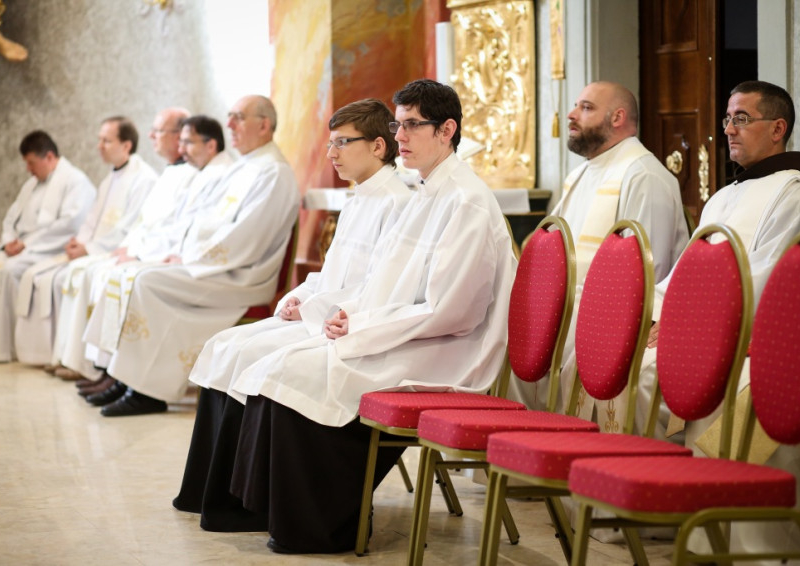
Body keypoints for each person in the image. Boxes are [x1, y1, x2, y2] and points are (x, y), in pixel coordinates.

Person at [209, 79, 515, 554]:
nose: (400, 136)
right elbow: (385, 281)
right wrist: (351, 313)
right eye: (398, 125)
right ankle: (280, 514)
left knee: (293, 370)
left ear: (447, 130)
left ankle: (323, 526)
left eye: (412, 125)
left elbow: (452, 311)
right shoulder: (427, 191)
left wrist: (364, 325)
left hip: (448, 351)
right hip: (407, 334)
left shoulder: (465, 201)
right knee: (280, 366)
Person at [171, 98, 412, 516]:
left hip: (345, 324)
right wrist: (298, 297)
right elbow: (331, 273)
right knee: (225, 345)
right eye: (330, 143)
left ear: (378, 146)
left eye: (342, 142)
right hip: (321, 313)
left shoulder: (397, 202)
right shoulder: (358, 197)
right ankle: (214, 494)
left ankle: (247, 504)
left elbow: (380, 287)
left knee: (254, 356)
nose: (331, 153)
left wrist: (315, 308)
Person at [645, 81, 800, 558]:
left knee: (730, 392)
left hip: (756, 338)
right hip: (706, 330)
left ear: (778, 129)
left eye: (741, 118)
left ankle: (742, 541)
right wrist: (659, 316)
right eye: (727, 119)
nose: (728, 129)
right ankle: (651, 513)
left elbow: (772, 277)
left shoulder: (798, 192)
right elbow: (688, 271)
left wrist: (694, 329)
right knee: (635, 365)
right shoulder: (724, 196)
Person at [90, 95, 300, 417]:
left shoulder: (273, 172)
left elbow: (246, 238)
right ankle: (125, 377)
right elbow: (197, 218)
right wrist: (178, 252)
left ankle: (147, 391)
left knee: (145, 282)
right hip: (212, 264)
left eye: (238, 117)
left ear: (264, 125)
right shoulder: (244, 167)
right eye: (229, 116)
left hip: (240, 274)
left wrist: (189, 258)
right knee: (135, 274)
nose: (229, 124)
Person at [511, 81, 689, 422]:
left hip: (610, 319)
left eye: (586, 108)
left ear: (618, 117)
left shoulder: (643, 176)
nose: (572, 115)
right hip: (570, 310)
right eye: (576, 105)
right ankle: (521, 446)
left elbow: (649, 272)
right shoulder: (579, 175)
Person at [55, 113, 234, 384]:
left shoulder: (208, 174)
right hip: (159, 251)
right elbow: (150, 223)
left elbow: (186, 228)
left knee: (125, 277)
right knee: (108, 273)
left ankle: (119, 376)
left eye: (158, 131)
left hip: (184, 260)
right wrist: (132, 249)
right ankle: (104, 369)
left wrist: (141, 253)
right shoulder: (183, 173)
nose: (151, 136)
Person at [13, 117, 157, 365]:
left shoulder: (144, 179)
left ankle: (84, 363)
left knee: (68, 278)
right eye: (99, 140)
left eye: (106, 141)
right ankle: (58, 356)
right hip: (95, 250)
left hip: (113, 252)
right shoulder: (110, 179)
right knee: (45, 277)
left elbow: (129, 227)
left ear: (126, 145)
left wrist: (88, 249)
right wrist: (78, 243)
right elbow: (91, 220)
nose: (99, 146)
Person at [0, 130, 95, 362]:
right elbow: (10, 219)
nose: (28, 169)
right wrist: (8, 242)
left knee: (9, 271)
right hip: (21, 249)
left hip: (49, 250)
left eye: (31, 163)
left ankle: (7, 347)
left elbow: (70, 224)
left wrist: (25, 244)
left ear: (49, 157)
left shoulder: (76, 182)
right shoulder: (31, 185)